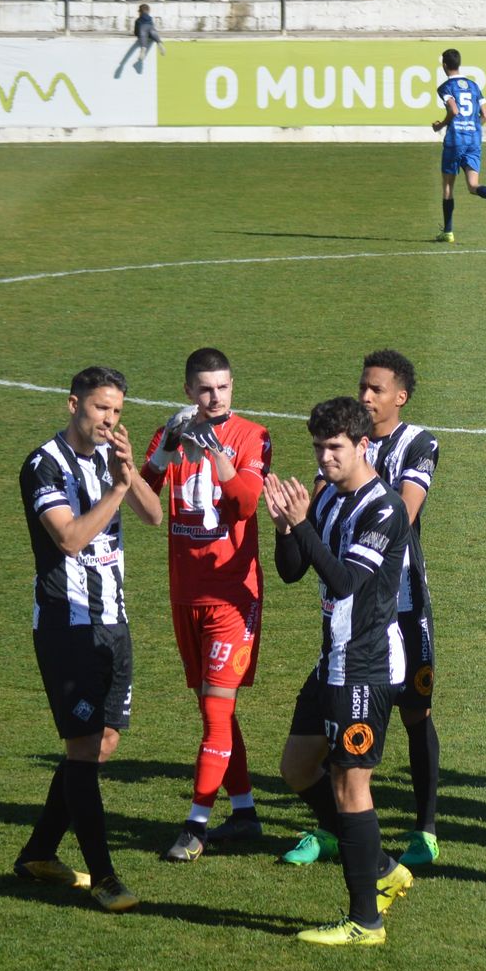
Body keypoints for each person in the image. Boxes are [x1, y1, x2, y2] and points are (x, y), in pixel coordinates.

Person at [13, 366, 164, 914]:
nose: (110, 420)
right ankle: (104, 877)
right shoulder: (42, 465)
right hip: (67, 625)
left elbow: (154, 516)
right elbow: (71, 539)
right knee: (82, 747)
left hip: (113, 621)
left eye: (118, 411)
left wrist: (129, 473)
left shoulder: (110, 459)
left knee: (101, 745)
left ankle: (37, 854)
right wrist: (119, 488)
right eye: (102, 409)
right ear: (73, 403)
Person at [267, 397, 417, 948]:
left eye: (335, 447)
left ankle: (365, 921)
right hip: (331, 659)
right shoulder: (327, 496)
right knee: (297, 767)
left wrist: (303, 522)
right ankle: (381, 866)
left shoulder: (385, 509)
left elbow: (344, 582)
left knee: (351, 786)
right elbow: (291, 572)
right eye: (318, 447)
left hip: (366, 665)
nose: (325, 457)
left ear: (363, 446)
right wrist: (286, 528)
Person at [138, 349, 272, 862]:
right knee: (213, 710)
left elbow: (243, 504)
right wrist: (160, 456)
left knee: (217, 712)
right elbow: (142, 501)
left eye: (222, 388)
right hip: (185, 593)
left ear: (233, 387)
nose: (214, 398)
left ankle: (195, 824)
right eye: (204, 389)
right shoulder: (170, 431)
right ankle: (244, 813)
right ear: (188, 390)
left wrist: (217, 457)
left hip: (233, 598)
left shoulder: (252, 436)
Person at [355, 352, 447, 867]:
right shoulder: (348, 437)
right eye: (362, 387)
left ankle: (426, 828)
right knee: (339, 706)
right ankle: (330, 823)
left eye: (376, 389)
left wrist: (357, 473)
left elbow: (403, 515)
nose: (365, 397)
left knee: (415, 712)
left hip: (406, 602)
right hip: (352, 602)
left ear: (400, 397)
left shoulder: (419, 443)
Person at [431, 47, 486, 241]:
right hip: (473, 139)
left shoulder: (445, 88)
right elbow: (485, 115)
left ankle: (448, 231)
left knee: (448, 187)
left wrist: (441, 124)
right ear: (458, 64)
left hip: (455, 140)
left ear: (444, 65)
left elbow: (454, 110)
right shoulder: (474, 86)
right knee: (473, 185)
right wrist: (473, 127)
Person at [125, 3, 163, 70]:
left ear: (139, 12)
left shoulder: (138, 20)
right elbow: (152, 27)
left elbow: (136, 32)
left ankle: (143, 48)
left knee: (143, 36)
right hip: (150, 28)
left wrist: (136, 34)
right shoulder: (150, 19)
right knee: (153, 33)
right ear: (148, 11)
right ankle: (159, 43)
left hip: (142, 28)